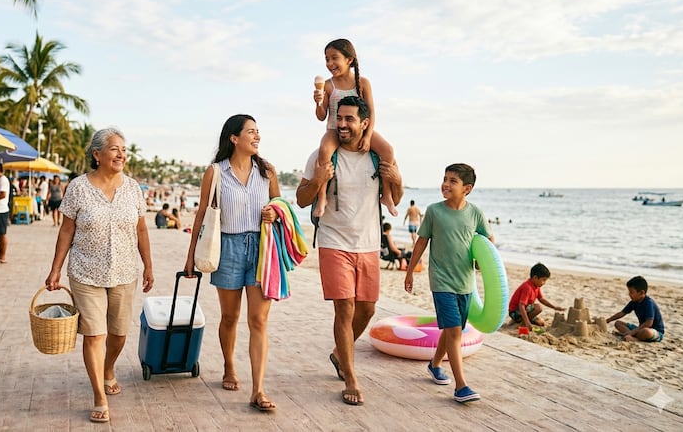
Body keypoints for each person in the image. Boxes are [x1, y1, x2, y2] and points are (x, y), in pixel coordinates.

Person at [297, 96, 403, 406]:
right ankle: (351, 376)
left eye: (349, 119)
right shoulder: (321, 156)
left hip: (368, 243)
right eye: (339, 118)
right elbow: (302, 199)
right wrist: (318, 180)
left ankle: (338, 354)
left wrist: (397, 181)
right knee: (344, 307)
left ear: (364, 123)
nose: (342, 124)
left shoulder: (376, 157)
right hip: (333, 240)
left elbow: (394, 196)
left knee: (366, 310)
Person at [44, 128, 153, 423]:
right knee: (94, 334)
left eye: (124, 150)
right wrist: (55, 269)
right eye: (115, 149)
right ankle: (99, 396)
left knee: (118, 334)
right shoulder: (78, 188)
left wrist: (148, 265)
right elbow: (66, 230)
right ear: (97, 154)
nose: (121, 155)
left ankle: (108, 368)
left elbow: (142, 229)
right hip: (85, 272)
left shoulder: (133, 188)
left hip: (124, 271)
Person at [184, 114, 281, 412]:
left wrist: (274, 212)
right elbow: (202, 214)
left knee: (258, 320)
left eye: (258, 131)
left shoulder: (267, 171)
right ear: (234, 138)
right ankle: (229, 365)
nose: (257, 136)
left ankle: (258, 389)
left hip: (261, 248)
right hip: (227, 247)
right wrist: (190, 256)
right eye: (251, 131)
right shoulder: (215, 172)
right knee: (230, 317)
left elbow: (280, 206)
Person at [403, 163, 493, 404]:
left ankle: (434, 365)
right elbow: (421, 243)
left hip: (465, 283)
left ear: (467, 189)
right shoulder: (434, 211)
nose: (446, 184)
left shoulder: (475, 213)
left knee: (453, 329)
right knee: (454, 331)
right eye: (445, 179)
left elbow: (487, 241)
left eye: (453, 181)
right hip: (441, 281)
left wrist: (481, 263)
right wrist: (410, 272)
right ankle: (461, 386)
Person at [312, 38, 399, 218]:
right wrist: (318, 102)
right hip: (334, 130)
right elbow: (321, 116)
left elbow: (371, 113)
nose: (330, 63)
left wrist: (367, 137)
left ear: (349, 60)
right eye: (327, 59)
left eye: (334, 58)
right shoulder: (328, 85)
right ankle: (322, 198)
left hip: (360, 130)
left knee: (388, 150)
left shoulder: (363, 83)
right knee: (324, 150)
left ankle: (387, 195)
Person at [605, 276, 664, 342]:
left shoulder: (648, 303)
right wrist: (608, 320)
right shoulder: (634, 302)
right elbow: (622, 313)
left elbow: (649, 323)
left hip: (654, 332)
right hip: (640, 329)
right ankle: (629, 335)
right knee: (618, 323)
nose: (629, 294)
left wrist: (632, 332)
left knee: (645, 332)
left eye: (631, 292)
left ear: (641, 293)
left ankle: (635, 338)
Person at [507, 263, 565, 329]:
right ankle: (522, 323)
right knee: (538, 307)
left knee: (541, 323)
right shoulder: (527, 287)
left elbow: (541, 299)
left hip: (525, 310)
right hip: (515, 312)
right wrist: (527, 322)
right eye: (543, 280)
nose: (544, 283)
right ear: (535, 278)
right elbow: (521, 305)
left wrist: (554, 307)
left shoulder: (536, 286)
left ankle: (519, 321)